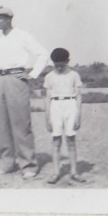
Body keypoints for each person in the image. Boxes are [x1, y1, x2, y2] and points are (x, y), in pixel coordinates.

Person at [0, 6, 49, 178]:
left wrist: (32, 74)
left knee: (21, 123)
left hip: (17, 80)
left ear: (8, 19)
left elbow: (43, 54)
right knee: (3, 123)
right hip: (2, 81)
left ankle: (28, 164)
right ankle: (5, 161)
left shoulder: (22, 35)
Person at [42, 47, 87, 185]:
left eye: (62, 65)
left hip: (70, 105)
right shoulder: (49, 76)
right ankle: (56, 172)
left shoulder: (74, 75)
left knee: (71, 140)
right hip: (55, 106)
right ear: (52, 63)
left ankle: (74, 172)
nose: (59, 68)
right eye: (56, 65)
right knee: (56, 141)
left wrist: (78, 116)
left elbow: (78, 97)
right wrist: (47, 118)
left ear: (67, 61)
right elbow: (47, 97)